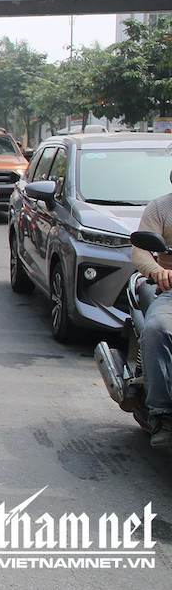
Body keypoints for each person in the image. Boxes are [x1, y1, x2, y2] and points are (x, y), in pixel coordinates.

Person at [130, 172, 172, 450]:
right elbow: (139, 251)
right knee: (157, 329)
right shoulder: (160, 207)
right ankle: (162, 415)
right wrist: (157, 270)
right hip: (170, 291)